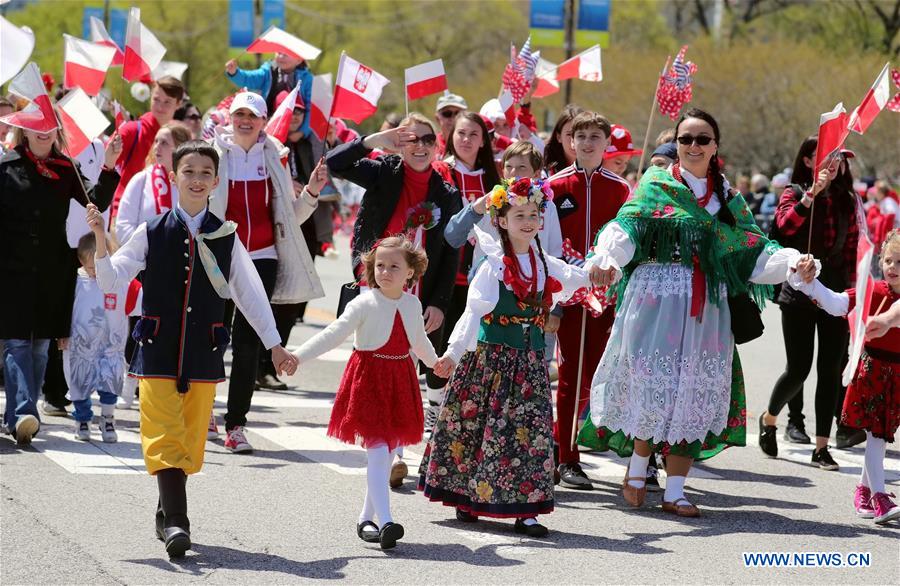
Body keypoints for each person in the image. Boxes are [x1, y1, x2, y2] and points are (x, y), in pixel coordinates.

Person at [584, 107, 811, 517]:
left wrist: (794, 263)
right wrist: (607, 258)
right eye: (685, 139)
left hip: (709, 307)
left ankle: (675, 490)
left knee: (692, 392)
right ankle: (637, 468)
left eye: (702, 139)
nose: (693, 146)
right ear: (676, 144)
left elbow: (754, 249)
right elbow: (627, 229)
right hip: (656, 299)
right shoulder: (656, 184)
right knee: (652, 384)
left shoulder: (727, 196)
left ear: (715, 146)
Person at [87, 140, 297, 557]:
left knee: (188, 444)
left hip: (203, 354)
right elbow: (111, 281)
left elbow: (250, 294)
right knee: (164, 435)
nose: (197, 179)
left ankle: (166, 513)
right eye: (189, 171)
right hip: (157, 350)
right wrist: (99, 236)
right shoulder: (152, 232)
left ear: (216, 181)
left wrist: (275, 345)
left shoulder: (226, 236)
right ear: (173, 177)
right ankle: (179, 523)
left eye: (205, 173)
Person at [420, 178, 590, 537]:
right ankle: (467, 497)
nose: (528, 222)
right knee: (480, 428)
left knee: (528, 434)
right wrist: (452, 353)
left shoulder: (545, 263)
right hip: (489, 360)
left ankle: (526, 510)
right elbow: (472, 312)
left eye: (534, 214)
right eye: (519, 215)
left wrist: (602, 272)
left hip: (528, 363)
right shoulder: (493, 265)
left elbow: (577, 278)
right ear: (501, 220)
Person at [293, 236, 437, 549]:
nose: (385, 271)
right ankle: (386, 520)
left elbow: (420, 341)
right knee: (377, 448)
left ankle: (365, 518)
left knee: (386, 453)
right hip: (369, 379)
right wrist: (298, 357)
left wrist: (436, 363)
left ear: (410, 272)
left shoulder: (412, 304)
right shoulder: (364, 302)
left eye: (394, 266)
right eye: (380, 266)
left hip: (400, 379)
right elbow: (333, 334)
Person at [210, 91, 324, 452]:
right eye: (239, 114)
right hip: (218, 258)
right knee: (211, 339)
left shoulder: (274, 155)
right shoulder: (213, 153)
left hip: (261, 259)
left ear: (263, 121)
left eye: (253, 116)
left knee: (247, 343)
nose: (245, 120)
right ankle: (202, 411)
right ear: (230, 118)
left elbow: (289, 219)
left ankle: (235, 425)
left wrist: (311, 193)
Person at [0, 123, 120, 445]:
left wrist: (108, 164)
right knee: (16, 343)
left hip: (52, 269)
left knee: (40, 346)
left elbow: (97, 201)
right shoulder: (7, 166)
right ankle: (25, 412)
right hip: (11, 269)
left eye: (50, 128)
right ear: (24, 131)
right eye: (37, 127)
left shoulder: (67, 168)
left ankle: (17, 416)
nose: (44, 133)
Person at [760, 140, 859, 468]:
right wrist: (811, 195)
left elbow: (853, 248)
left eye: (838, 159)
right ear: (806, 160)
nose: (835, 164)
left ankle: (821, 446)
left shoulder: (848, 198)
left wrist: (853, 292)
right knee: (799, 368)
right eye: (825, 158)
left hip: (835, 289)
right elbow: (783, 226)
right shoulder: (794, 192)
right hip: (799, 286)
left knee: (830, 369)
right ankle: (771, 418)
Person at [547, 112, 631, 490]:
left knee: (599, 374)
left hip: (607, 296)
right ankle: (567, 457)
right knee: (568, 375)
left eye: (595, 136)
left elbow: (631, 240)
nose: (586, 143)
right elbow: (544, 241)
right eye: (580, 136)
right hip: (566, 295)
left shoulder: (622, 190)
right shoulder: (552, 187)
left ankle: (561, 440)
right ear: (570, 141)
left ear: (606, 142)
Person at [793, 230, 900, 524]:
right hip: (873, 372)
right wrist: (810, 284)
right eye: (888, 260)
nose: (892, 267)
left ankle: (864, 491)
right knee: (877, 435)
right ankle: (879, 496)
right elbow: (838, 303)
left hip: (897, 375)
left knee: (881, 435)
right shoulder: (874, 292)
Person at [424, 112, 501, 431]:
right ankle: (432, 405)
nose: (466, 140)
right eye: (460, 133)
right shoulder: (442, 171)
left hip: (482, 271)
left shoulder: (495, 179)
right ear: (450, 137)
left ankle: (458, 406)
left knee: (470, 343)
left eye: (473, 134)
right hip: (446, 266)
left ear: (483, 140)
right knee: (439, 342)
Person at [63, 233, 140, 442]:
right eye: (91, 269)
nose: (97, 274)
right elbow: (62, 311)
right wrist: (61, 334)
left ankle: (107, 418)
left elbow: (143, 302)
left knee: (110, 381)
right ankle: (83, 419)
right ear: (80, 260)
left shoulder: (122, 283)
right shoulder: (74, 283)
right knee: (79, 383)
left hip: (111, 347)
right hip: (79, 346)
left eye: (101, 267)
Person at [111, 76, 185, 219]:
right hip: (126, 217)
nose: (160, 107)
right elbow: (104, 166)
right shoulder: (131, 130)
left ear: (179, 104)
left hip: (168, 218)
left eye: (167, 102)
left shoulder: (182, 138)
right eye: (156, 99)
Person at [116, 123, 192, 245]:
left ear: (179, 148)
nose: (157, 147)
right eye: (156, 141)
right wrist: (148, 250)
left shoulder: (190, 185)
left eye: (164, 143)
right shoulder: (141, 180)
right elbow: (123, 226)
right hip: (142, 259)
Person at [225, 52, 314, 137]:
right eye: (279, 53)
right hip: (269, 123)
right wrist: (235, 73)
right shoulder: (268, 72)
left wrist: (302, 132)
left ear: (299, 60)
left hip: (296, 126)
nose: (281, 56)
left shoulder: (308, 79)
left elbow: (311, 108)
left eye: (286, 54)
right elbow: (249, 78)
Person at [543, 105, 583, 177]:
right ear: (559, 137)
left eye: (580, 135)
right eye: (569, 134)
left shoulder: (600, 170)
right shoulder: (546, 174)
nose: (574, 141)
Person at [433, 93, 467, 158]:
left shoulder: (473, 143)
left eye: (458, 113)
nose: (453, 118)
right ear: (437, 118)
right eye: (447, 113)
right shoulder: (431, 145)